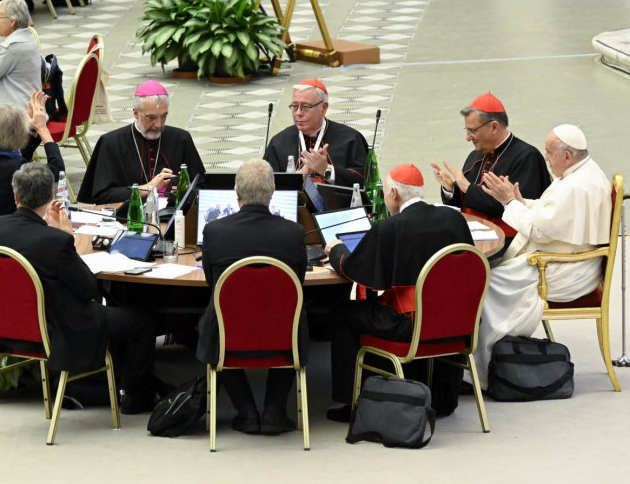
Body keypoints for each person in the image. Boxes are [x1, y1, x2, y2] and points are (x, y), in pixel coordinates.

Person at [0, 162, 160, 414]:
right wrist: (67, 237)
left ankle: (115, 380)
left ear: (15, 195)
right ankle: (136, 396)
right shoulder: (56, 241)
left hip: (14, 324)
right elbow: (89, 289)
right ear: (52, 196)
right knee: (143, 321)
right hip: (62, 326)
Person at [324, 164, 474, 421]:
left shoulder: (390, 228)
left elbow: (356, 271)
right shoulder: (454, 219)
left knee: (343, 312)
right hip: (458, 320)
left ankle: (353, 403)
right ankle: (443, 394)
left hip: (412, 323)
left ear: (393, 193)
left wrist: (337, 250)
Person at [475, 124, 611, 388]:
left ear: (568, 156)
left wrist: (509, 203)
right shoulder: (579, 173)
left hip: (567, 270)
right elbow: (551, 212)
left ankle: (484, 368)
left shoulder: (577, 185)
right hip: (565, 258)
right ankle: (486, 359)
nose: (545, 157)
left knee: (489, 283)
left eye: (549, 153)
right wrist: (521, 201)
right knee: (490, 277)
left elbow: (539, 229)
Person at [196, 159, 308, 435]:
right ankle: (274, 411)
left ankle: (245, 411)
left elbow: (214, 284)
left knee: (211, 321)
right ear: (273, 191)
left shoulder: (214, 232)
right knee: (293, 316)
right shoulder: (294, 233)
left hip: (229, 333)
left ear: (236, 194)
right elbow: (297, 283)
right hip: (283, 334)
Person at [430, 92, 550, 252]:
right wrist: (451, 189)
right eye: (466, 131)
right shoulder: (475, 155)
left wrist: (469, 189)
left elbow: (519, 209)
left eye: (472, 131)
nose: (467, 137)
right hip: (472, 232)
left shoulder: (527, 157)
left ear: (494, 126)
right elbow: (464, 202)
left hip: (506, 240)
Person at [77, 79, 206, 204]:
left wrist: (186, 190)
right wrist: (148, 188)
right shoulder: (111, 143)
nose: (159, 124)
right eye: (151, 117)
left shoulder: (181, 139)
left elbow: (202, 185)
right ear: (135, 112)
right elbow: (101, 196)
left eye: (164, 116)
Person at [0, 92, 64, 243]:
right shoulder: (15, 167)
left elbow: (20, 155)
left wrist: (34, 130)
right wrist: (43, 129)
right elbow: (57, 170)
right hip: (14, 237)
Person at [264, 78, 368, 187]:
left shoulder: (351, 139)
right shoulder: (278, 142)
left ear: (324, 108)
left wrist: (327, 170)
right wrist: (301, 174)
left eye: (305, 106)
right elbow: (265, 185)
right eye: (295, 106)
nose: (298, 113)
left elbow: (366, 182)